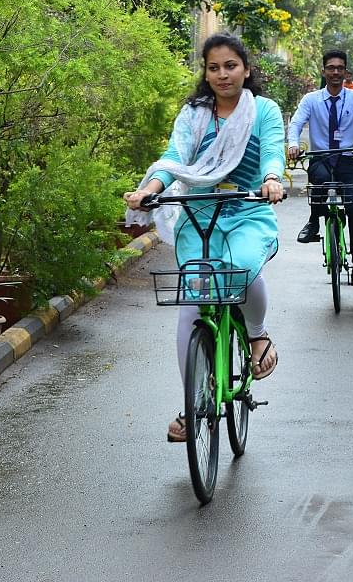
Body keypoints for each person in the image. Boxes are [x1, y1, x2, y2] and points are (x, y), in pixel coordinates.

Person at [123, 33, 286, 443]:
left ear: (246, 69)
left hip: (248, 209)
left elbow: (273, 150)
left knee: (241, 269)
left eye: (230, 66)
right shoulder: (193, 113)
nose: (222, 74)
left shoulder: (263, 110)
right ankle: (194, 403)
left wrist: (271, 178)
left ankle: (257, 334)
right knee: (192, 304)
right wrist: (149, 190)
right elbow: (174, 157)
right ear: (206, 73)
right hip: (199, 213)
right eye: (214, 68)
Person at [288, 50, 353, 285]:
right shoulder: (311, 100)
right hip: (320, 158)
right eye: (331, 68)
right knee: (319, 181)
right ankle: (314, 222)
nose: (335, 72)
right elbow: (296, 123)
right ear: (323, 71)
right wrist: (293, 144)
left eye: (340, 68)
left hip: (347, 160)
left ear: (345, 72)